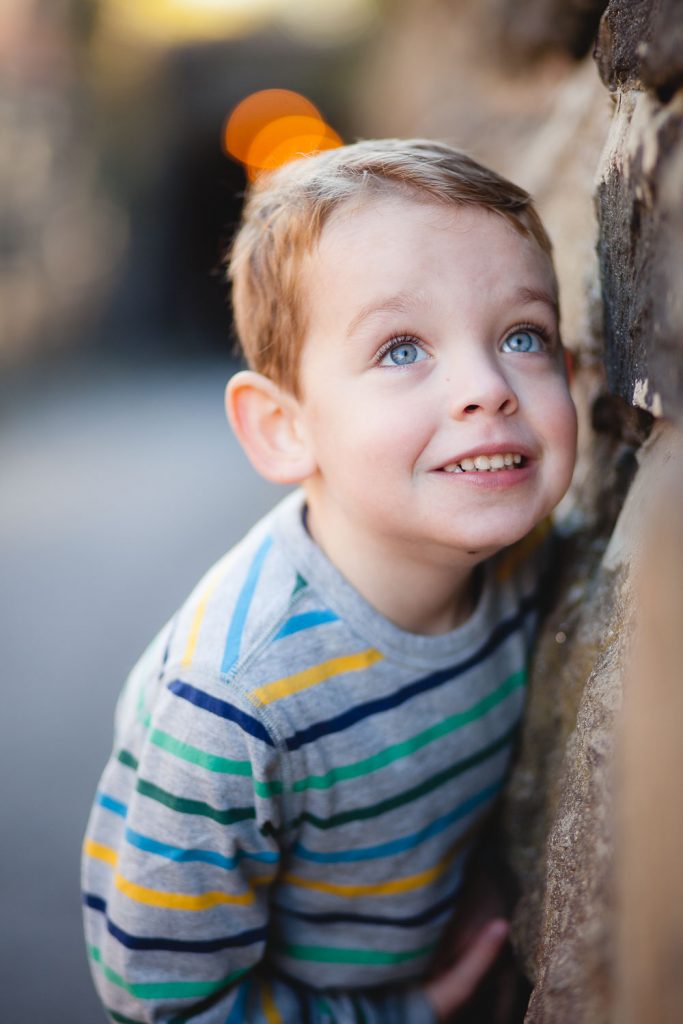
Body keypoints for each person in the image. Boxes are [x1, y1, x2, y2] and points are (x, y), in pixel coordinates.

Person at [82, 138, 577, 1023]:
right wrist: (405, 1012)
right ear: (282, 429)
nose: (485, 387)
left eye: (521, 335)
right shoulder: (233, 704)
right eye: (400, 349)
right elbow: (165, 1003)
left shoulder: (532, 559)